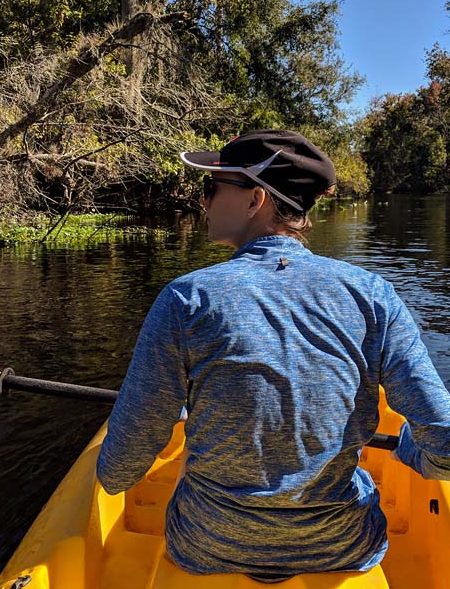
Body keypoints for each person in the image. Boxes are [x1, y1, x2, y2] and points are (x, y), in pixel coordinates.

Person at [97, 129, 450, 583]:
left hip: (208, 545)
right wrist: (408, 452)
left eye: (212, 188)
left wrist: (177, 415)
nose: (202, 202)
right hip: (341, 548)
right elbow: (444, 445)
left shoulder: (186, 300)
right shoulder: (374, 297)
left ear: (255, 199)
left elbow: (120, 472)